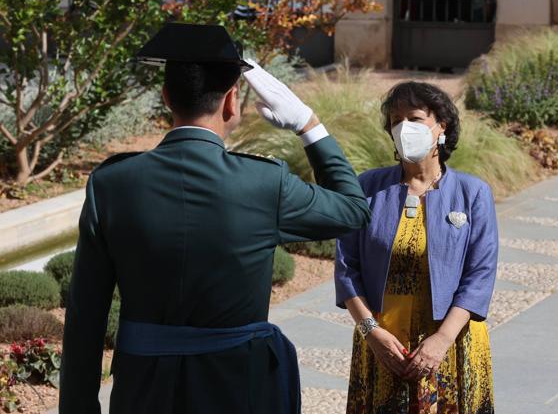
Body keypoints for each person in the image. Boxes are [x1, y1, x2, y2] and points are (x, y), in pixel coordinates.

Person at [58, 23, 370, 414]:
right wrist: (308, 124)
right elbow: (354, 210)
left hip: (144, 393)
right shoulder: (264, 183)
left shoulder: (111, 184)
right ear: (231, 102)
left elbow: (85, 320)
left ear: (166, 96)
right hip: (240, 390)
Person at [335, 81, 498, 413]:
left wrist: (441, 340)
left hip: (451, 344)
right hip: (383, 344)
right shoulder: (366, 188)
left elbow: (479, 275)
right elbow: (346, 268)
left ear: (442, 126)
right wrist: (371, 333)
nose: (403, 128)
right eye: (396, 120)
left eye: (414, 118)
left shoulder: (473, 192)